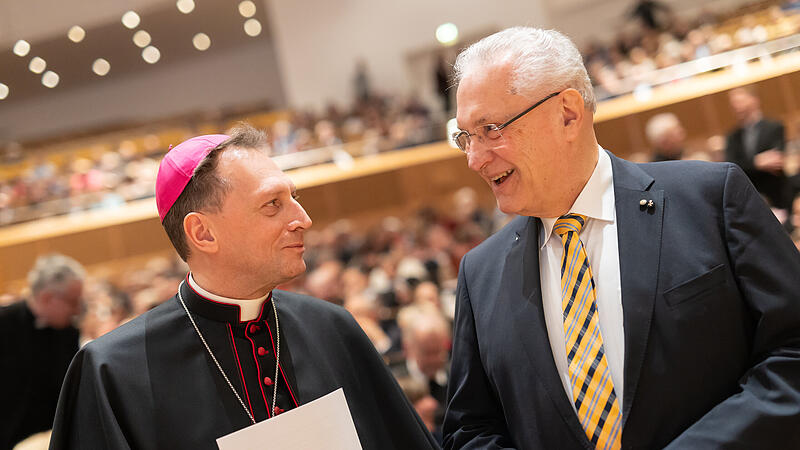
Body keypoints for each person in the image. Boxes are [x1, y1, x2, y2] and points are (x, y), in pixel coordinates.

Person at [444, 27, 800, 449]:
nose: (474, 158)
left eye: (491, 128)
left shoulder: (710, 199)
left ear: (568, 114)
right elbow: (470, 430)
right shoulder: (480, 273)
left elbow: (792, 352)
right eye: (466, 137)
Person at [50, 126, 438, 449]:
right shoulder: (112, 372)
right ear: (202, 233)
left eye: (293, 198)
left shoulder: (332, 328)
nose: (303, 219)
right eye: (272, 204)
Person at [0, 254, 85, 449]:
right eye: (72, 302)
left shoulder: (68, 332)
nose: (77, 310)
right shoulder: (3, 323)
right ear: (47, 298)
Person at [725, 86, 790, 209]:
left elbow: (775, 161)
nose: (736, 107)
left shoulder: (774, 127)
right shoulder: (732, 137)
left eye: (739, 102)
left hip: (777, 194)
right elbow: (731, 167)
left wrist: (747, 166)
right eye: (733, 105)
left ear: (754, 100)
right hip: (750, 197)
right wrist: (756, 163)